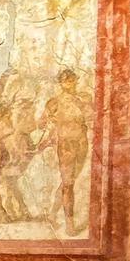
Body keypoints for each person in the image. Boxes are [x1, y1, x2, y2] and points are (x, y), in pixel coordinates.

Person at [36, 68, 92, 234]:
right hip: (66, 145)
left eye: (71, 80)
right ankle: (69, 223)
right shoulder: (54, 102)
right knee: (68, 183)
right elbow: (41, 124)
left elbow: (93, 117)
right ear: (60, 83)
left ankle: (53, 213)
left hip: (82, 144)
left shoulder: (84, 98)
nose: (69, 83)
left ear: (76, 80)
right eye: (65, 81)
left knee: (70, 181)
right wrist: (50, 119)